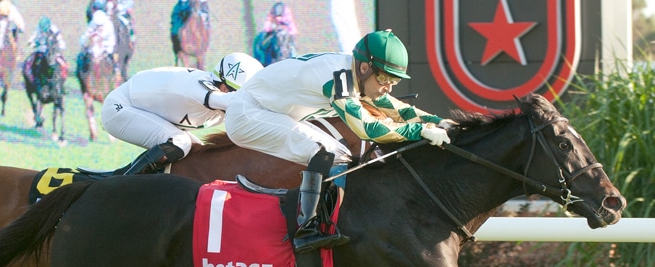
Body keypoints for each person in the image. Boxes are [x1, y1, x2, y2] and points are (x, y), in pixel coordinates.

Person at [224, 29, 451, 253]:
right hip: (247, 113)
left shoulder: (355, 73)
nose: (388, 87)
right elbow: (368, 129)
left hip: (268, 111)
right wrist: (420, 131)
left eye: (394, 80)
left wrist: (441, 122)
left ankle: (323, 220)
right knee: (326, 151)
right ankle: (306, 229)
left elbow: (397, 109)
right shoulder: (338, 77)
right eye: (384, 78)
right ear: (365, 68)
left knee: (339, 153)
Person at [102, 52, 264, 175]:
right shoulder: (199, 88)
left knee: (197, 155)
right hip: (119, 108)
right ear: (224, 86)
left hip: (138, 108)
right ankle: (123, 185)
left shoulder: (221, 96)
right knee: (180, 143)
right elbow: (232, 102)